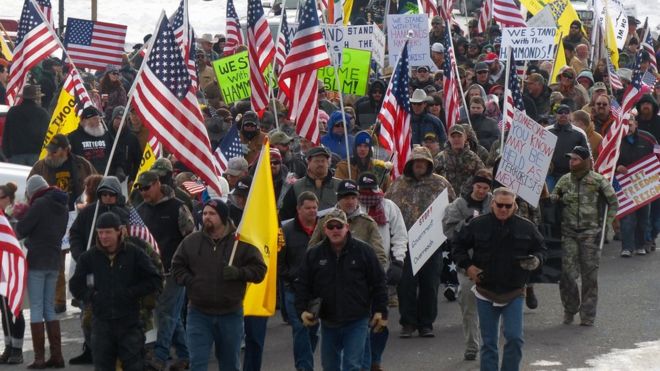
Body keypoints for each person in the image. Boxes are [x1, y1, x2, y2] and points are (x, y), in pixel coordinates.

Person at [452, 187, 546, 371]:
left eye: (508, 206)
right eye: (499, 205)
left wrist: (536, 260)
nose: (503, 209)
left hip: (514, 291)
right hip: (485, 291)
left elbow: (542, 249)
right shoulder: (477, 224)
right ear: (492, 204)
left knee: (515, 338)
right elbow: (457, 245)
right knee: (488, 343)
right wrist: (468, 266)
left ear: (515, 206)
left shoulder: (526, 227)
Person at [171, 199, 266, 371]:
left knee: (229, 365)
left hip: (230, 313)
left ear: (223, 217)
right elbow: (177, 266)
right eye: (205, 213)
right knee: (197, 364)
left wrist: (239, 273)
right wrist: (190, 281)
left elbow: (260, 270)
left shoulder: (241, 242)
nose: (206, 217)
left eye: (212, 214)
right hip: (198, 313)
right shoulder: (191, 241)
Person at [295, 209, 388, 371]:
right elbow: (303, 284)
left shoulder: (364, 251)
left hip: (357, 320)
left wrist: (381, 310)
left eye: (339, 226)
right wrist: (302, 310)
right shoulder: (314, 255)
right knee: (329, 367)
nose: (335, 230)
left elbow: (379, 281)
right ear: (324, 230)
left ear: (347, 227)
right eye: (331, 226)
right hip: (328, 322)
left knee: (352, 366)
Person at [69, 212, 162, 371]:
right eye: (100, 232)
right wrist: (91, 296)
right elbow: (75, 284)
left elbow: (154, 279)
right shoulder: (88, 258)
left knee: (134, 366)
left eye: (108, 232)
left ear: (119, 231)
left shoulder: (135, 253)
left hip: (129, 322)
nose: (104, 236)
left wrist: (131, 293)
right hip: (101, 324)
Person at [386, 146, 456, 337]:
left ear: (429, 164)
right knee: (406, 284)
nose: (419, 164)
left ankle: (426, 323)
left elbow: (453, 209)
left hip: (431, 243)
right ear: (410, 163)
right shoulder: (397, 184)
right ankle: (408, 323)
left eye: (423, 162)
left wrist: (448, 232)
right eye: (416, 161)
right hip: (405, 243)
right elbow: (387, 209)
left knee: (430, 284)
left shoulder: (441, 184)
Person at [551, 146, 618, 326]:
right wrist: (553, 198)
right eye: (570, 159)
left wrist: (607, 225)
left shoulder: (597, 181)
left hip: (590, 234)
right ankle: (570, 308)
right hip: (569, 233)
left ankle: (587, 314)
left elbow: (613, 202)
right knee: (567, 275)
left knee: (589, 276)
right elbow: (553, 197)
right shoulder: (564, 181)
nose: (571, 162)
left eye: (575, 159)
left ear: (585, 161)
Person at [68, 176, 129, 365]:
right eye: (104, 194)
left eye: (111, 194)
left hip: (117, 270)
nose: (107, 197)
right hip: (91, 270)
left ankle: (115, 351)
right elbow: (75, 234)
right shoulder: (89, 212)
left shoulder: (125, 214)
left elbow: (134, 240)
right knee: (87, 310)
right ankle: (90, 348)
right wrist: (80, 255)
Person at [136, 171, 194, 370]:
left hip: (174, 270)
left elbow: (191, 238)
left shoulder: (178, 207)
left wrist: (188, 267)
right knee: (172, 315)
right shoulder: (140, 211)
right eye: (140, 188)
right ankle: (186, 355)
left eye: (146, 187)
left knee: (166, 313)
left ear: (157, 184)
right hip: (152, 272)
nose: (143, 192)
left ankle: (160, 356)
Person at [15, 175, 69, 368]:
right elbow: (60, 233)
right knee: (48, 307)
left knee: (37, 307)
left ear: (33, 191)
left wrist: (18, 217)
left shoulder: (39, 205)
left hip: (37, 260)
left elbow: (21, 229)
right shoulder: (62, 206)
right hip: (54, 261)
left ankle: (39, 358)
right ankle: (57, 356)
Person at [357, 172, 407, 370]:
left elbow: (400, 235)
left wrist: (398, 261)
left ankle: (375, 359)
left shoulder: (389, 207)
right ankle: (363, 361)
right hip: (354, 274)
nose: (367, 195)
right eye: (363, 191)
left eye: (371, 190)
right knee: (359, 321)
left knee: (380, 319)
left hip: (381, 272)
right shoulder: (350, 206)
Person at [442, 170, 494, 361]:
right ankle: (472, 345)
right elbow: (447, 229)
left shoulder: (495, 203)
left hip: (491, 263)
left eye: (485, 188)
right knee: (468, 305)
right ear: (473, 185)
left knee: (492, 307)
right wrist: (467, 224)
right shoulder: (458, 205)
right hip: (467, 263)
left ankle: (490, 344)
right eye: (478, 187)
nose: (481, 191)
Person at [279, 192, 320, 371]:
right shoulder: (285, 231)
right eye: (308, 208)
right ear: (298, 209)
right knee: (301, 329)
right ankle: (304, 368)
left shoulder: (325, 229)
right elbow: (279, 263)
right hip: (293, 291)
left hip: (318, 292)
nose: (312, 211)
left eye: (315, 208)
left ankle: (305, 361)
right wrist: (292, 277)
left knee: (313, 330)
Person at [616, 112, 658, 256]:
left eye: (631, 121)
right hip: (624, 184)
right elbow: (608, 161)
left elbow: (658, 155)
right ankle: (627, 247)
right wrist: (617, 167)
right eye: (626, 122)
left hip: (644, 184)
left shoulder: (648, 138)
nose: (629, 124)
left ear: (636, 123)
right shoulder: (616, 140)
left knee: (643, 216)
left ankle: (642, 245)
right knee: (627, 217)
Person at [279, 147, 341, 221]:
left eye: (323, 161)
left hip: (334, 229)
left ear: (328, 163)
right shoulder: (296, 187)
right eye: (317, 161)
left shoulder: (340, 185)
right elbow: (286, 215)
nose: (320, 164)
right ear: (308, 162)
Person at [0, 182, 25, 364]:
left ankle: (17, 348)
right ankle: (8, 346)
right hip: (2, 269)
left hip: (14, 269)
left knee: (15, 308)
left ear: (8, 199)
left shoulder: (15, 216)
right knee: (4, 310)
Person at [68, 106, 123, 176]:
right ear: (83, 121)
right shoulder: (73, 138)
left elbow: (118, 154)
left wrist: (119, 169)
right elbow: (68, 159)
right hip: (84, 181)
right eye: (94, 119)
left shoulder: (106, 135)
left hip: (106, 179)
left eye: (99, 119)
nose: (98, 122)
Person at [2, 85, 49, 165]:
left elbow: (6, 134)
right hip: (36, 154)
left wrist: (7, 154)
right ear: (36, 98)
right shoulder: (43, 113)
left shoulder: (13, 112)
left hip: (16, 154)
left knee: (16, 177)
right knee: (34, 177)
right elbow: (46, 135)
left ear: (23, 97)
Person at [546, 104, 589, 191]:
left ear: (571, 115)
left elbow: (586, 157)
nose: (563, 114)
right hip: (550, 175)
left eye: (566, 112)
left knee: (568, 202)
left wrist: (587, 175)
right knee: (549, 200)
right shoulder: (546, 131)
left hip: (572, 175)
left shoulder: (579, 133)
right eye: (560, 112)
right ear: (556, 115)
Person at [435, 125, 485, 195]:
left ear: (465, 138)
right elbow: (433, 179)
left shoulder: (473, 158)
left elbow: (483, 178)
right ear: (448, 138)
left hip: (467, 200)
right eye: (453, 137)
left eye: (459, 136)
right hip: (445, 198)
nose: (456, 139)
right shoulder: (440, 157)